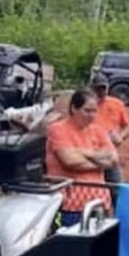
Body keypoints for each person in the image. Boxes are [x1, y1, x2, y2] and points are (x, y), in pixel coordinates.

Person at [45, 88, 118, 222]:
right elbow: (70, 161)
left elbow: (113, 159)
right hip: (69, 204)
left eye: (94, 111)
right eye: (87, 110)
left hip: (99, 202)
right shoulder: (58, 129)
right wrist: (98, 158)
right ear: (74, 108)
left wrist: (79, 152)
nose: (91, 115)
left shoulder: (98, 131)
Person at [90, 73, 129, 184]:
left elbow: (128, 127)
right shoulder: (87, 105)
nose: (101, 91)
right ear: (92, 89)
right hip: (90, 149)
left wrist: (120, 136)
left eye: (103, 88)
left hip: (109, 150)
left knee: (116, 184)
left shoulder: (117, 104)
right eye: (98, 88)